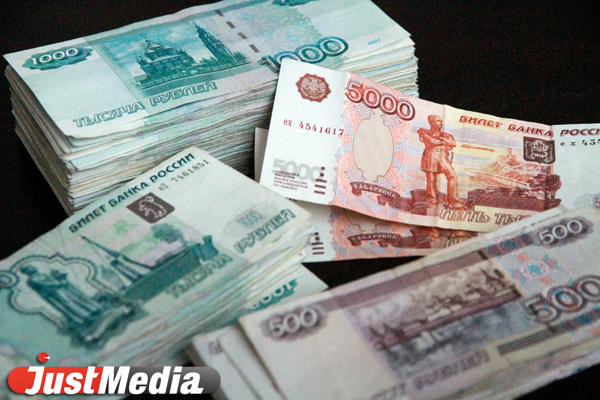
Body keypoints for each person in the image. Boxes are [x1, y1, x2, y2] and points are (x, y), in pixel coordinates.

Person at [418, 115, 465, 208]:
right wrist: (444, 141)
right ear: (432, 122)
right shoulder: (424, 132)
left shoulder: (446, 135)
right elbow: (432, 142)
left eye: (441, 121)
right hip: (431, 155)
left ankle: (452, 198)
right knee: (431, 179)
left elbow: (453, 143)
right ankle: (432, 200)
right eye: (438, 121)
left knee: (452, 175)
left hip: (443, 156)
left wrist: (442, 140)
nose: (441, 123)